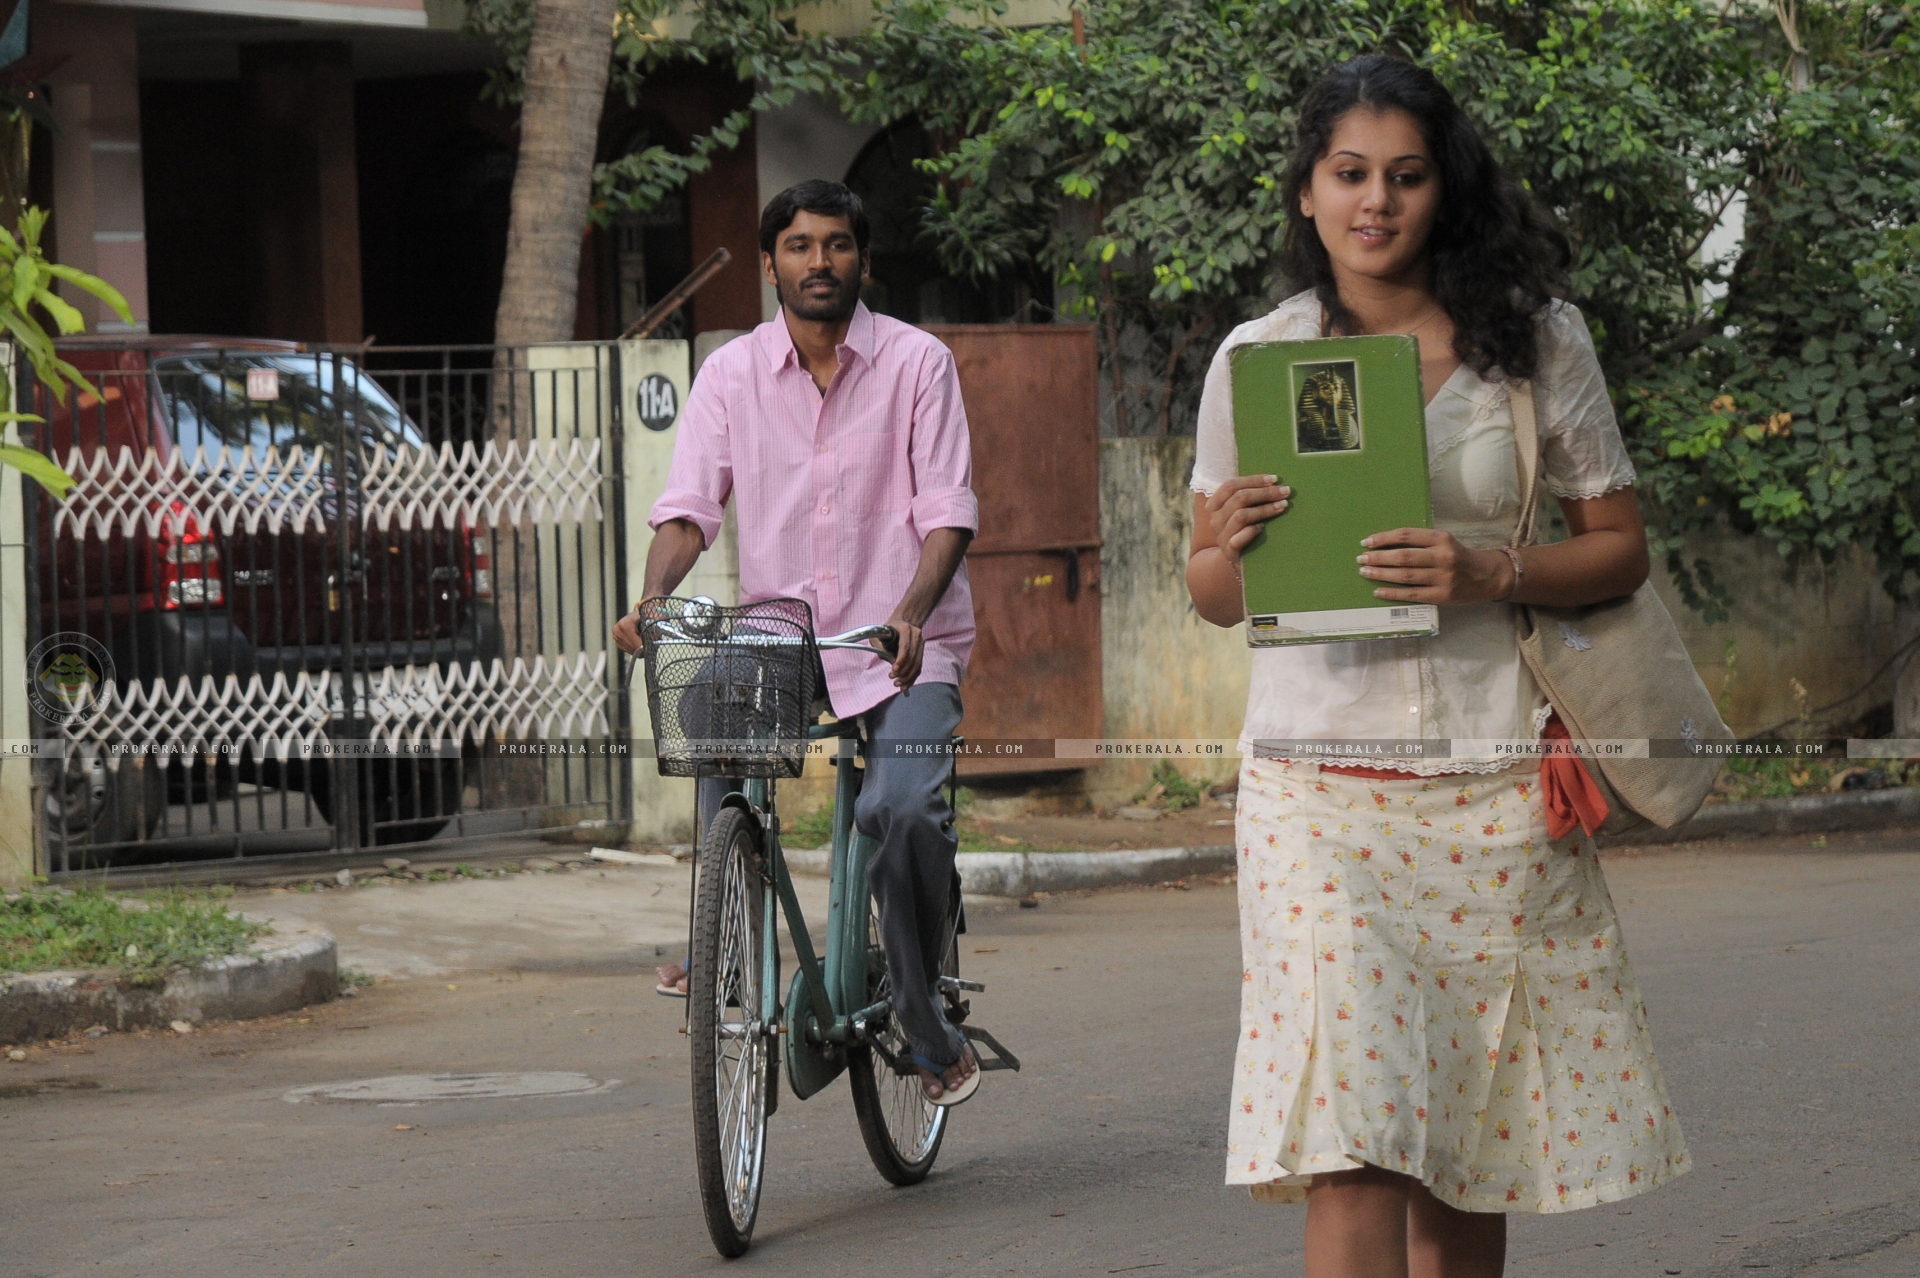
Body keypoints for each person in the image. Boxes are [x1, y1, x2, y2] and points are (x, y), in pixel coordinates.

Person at [1185, 56, 1689, 1276]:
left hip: (1494, 786)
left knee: (1469, 1141)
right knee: (1354, 1137)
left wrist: (1490, 571)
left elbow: (1618, 548)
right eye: (1349, 175)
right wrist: (1237, 545)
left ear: (1442, 189)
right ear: (1306, 194)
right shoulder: (1261, 357)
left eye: (1404, 176)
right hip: (1317, 793)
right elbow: (1209, 595)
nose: (1376, 202)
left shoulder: (1536, 341)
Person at [612, 180, 981, 1105]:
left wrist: (909, 612)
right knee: (704, 704)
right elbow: (690, 509)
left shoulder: (917, 363)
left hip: (902, 638)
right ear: (772, 260)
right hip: (787, 640)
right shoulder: (730, 375)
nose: (821, 260)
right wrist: (654, 598)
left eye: (839, 244)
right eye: (801, 245)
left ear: (863, 258)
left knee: (900, 811)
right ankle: (722, 945)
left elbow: (946, 515)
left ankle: (928, 1025)